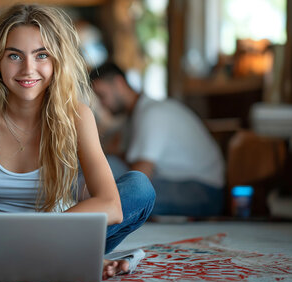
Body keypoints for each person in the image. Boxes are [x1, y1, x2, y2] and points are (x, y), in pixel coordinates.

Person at [0, 4, 155, 279]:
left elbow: (112, 206)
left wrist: (45, 232)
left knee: (140, 188)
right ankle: (58, 260)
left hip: (57, 236)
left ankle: (18, 258)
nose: (28, 69)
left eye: (41, 55)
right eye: (14, 56)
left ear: (57, 61)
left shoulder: (77, 116)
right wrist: (40, 240)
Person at [90, 62, 225, 217]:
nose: (102, 104)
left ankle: (83, 215)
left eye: (102, 95)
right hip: (174, 181)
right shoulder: (132, 118)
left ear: (119, 83)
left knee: (121, 195)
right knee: (109, 172)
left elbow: (140, 178)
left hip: (203, 190)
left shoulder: (152, 113)